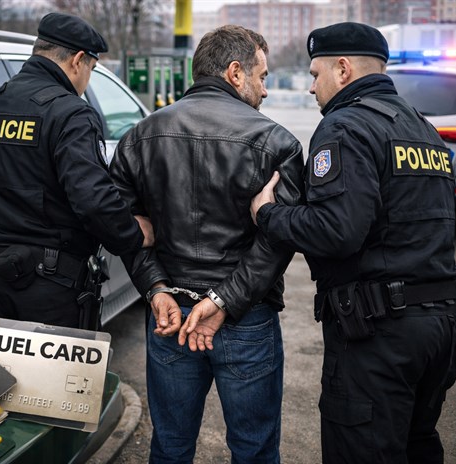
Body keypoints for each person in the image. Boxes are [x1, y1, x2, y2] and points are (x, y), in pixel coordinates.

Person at [250, 22, 456, 464]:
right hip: (440, 328)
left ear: (343, 69)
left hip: (380, 334)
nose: (311, 87)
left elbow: (336, 230)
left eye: (315, 75)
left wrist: (267, 215)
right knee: (418, 445)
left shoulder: (345, 127)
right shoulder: (421, 127)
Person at [110, 25, 304, 463]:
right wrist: (223, 301)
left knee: (170, 446)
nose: (265, 90)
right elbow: (278, 242)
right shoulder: (277, 142)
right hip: (245, 316)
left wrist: (156, 288)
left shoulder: (139, 137)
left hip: (170, 314)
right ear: (235, 73)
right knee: (254, 450)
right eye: (262, 76)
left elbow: (125, 229)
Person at [0, 12, 153, 328]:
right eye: (91, 69)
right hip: (49, 290)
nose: (87, 80)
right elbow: (93, 201)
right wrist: (134, 233)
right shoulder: (71, 113)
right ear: (78, 60)